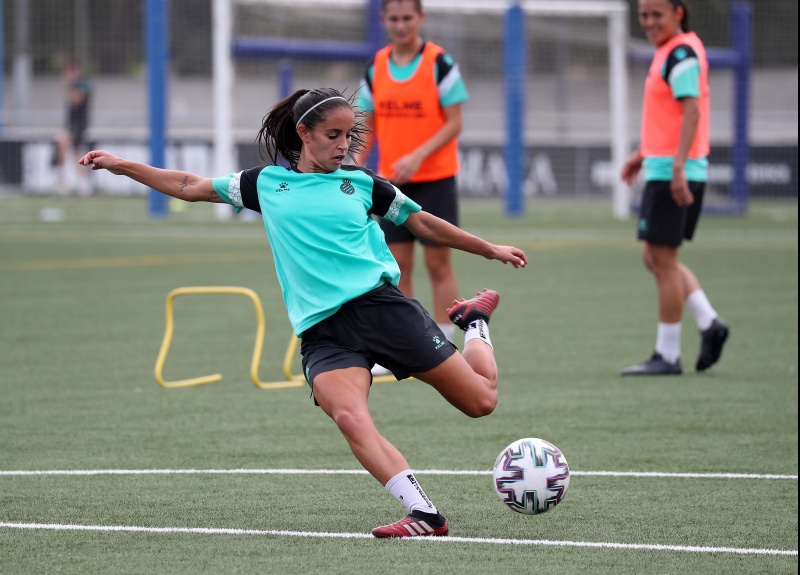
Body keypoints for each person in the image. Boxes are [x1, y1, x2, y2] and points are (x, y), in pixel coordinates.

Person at [79, 87, 528, 537]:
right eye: (333, 135)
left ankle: (475, 322)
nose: (343, 145)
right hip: (323, 331)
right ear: (304, 134)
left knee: (481, 402)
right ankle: (425, 514)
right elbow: (188, 186)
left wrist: (488, 249)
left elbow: (421, 222)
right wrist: (120, 165)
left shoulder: (364, 184)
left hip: (382, 310)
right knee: (349, 417)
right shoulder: (267, 184)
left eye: (349, 136)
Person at [355, 0, 468, 375]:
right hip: (392, 184)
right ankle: (406, 346)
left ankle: (446, 343)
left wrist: (417, 156)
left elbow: (454, 123)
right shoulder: (376, 67)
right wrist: (351, 165)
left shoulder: (440, 63)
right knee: (397, 266)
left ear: (421, 18)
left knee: (438, 262)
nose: (401, 25)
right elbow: (366, 126)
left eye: (408, 18)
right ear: (383, 20)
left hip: (435, 178)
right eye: (394, 18)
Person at [620, 0, 729, 376]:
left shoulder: (681, 51)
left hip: (674, 171)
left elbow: (692, 111)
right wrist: (641, 154)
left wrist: (678, 166)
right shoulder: (671, 50)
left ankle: (667, 355)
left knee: (663, 263)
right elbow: (667, 117)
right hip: (665, 165)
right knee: (657, 259)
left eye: (657, 15)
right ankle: (709, 322)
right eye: (643, 15)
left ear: (678, 12)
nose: (649, 22)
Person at [56, 58, 92, 196]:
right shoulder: (75, 84)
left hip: (79, 125)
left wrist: (68, 84)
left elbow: (76, 100)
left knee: (64, 143)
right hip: (72, 124)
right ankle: (81, 185)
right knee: (76, 152)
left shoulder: (84, 84)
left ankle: (66, 182)